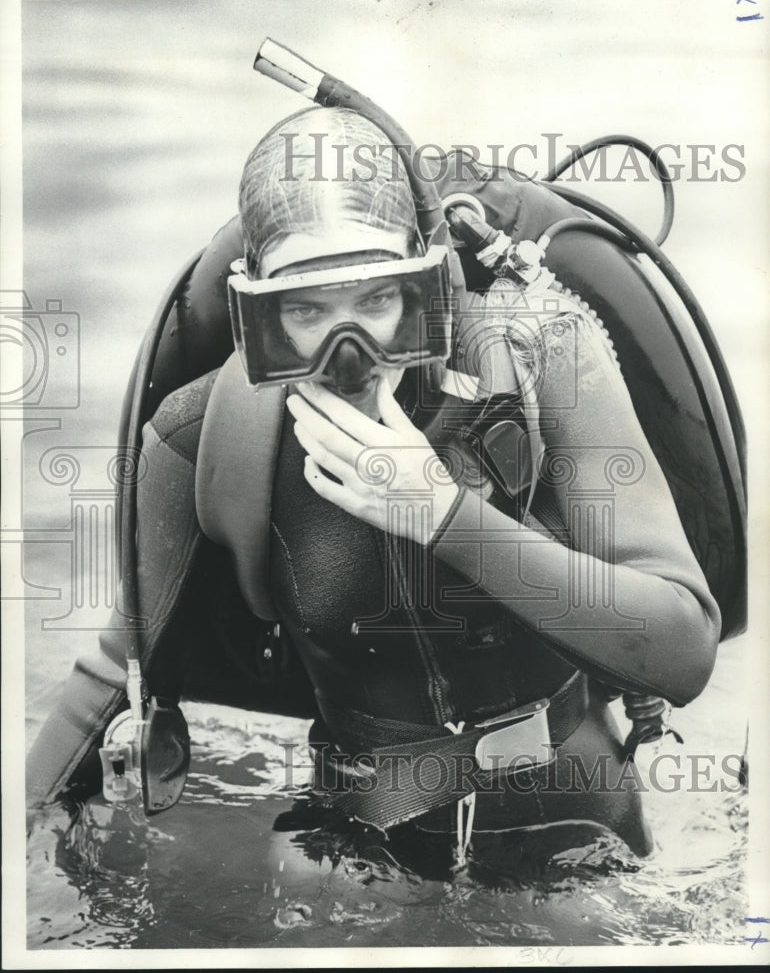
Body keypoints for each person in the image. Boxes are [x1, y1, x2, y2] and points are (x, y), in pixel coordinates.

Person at [27, 105, 721, 878]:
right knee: (298, 879)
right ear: (252, 307)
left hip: (574, 818)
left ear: (426, 280)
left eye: (377, 302)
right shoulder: (206, 436)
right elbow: (106, 685)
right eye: (305, 311)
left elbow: (684, 647)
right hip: (359, 845)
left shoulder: (540, 355)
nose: (348, 355)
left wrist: (445, 517)